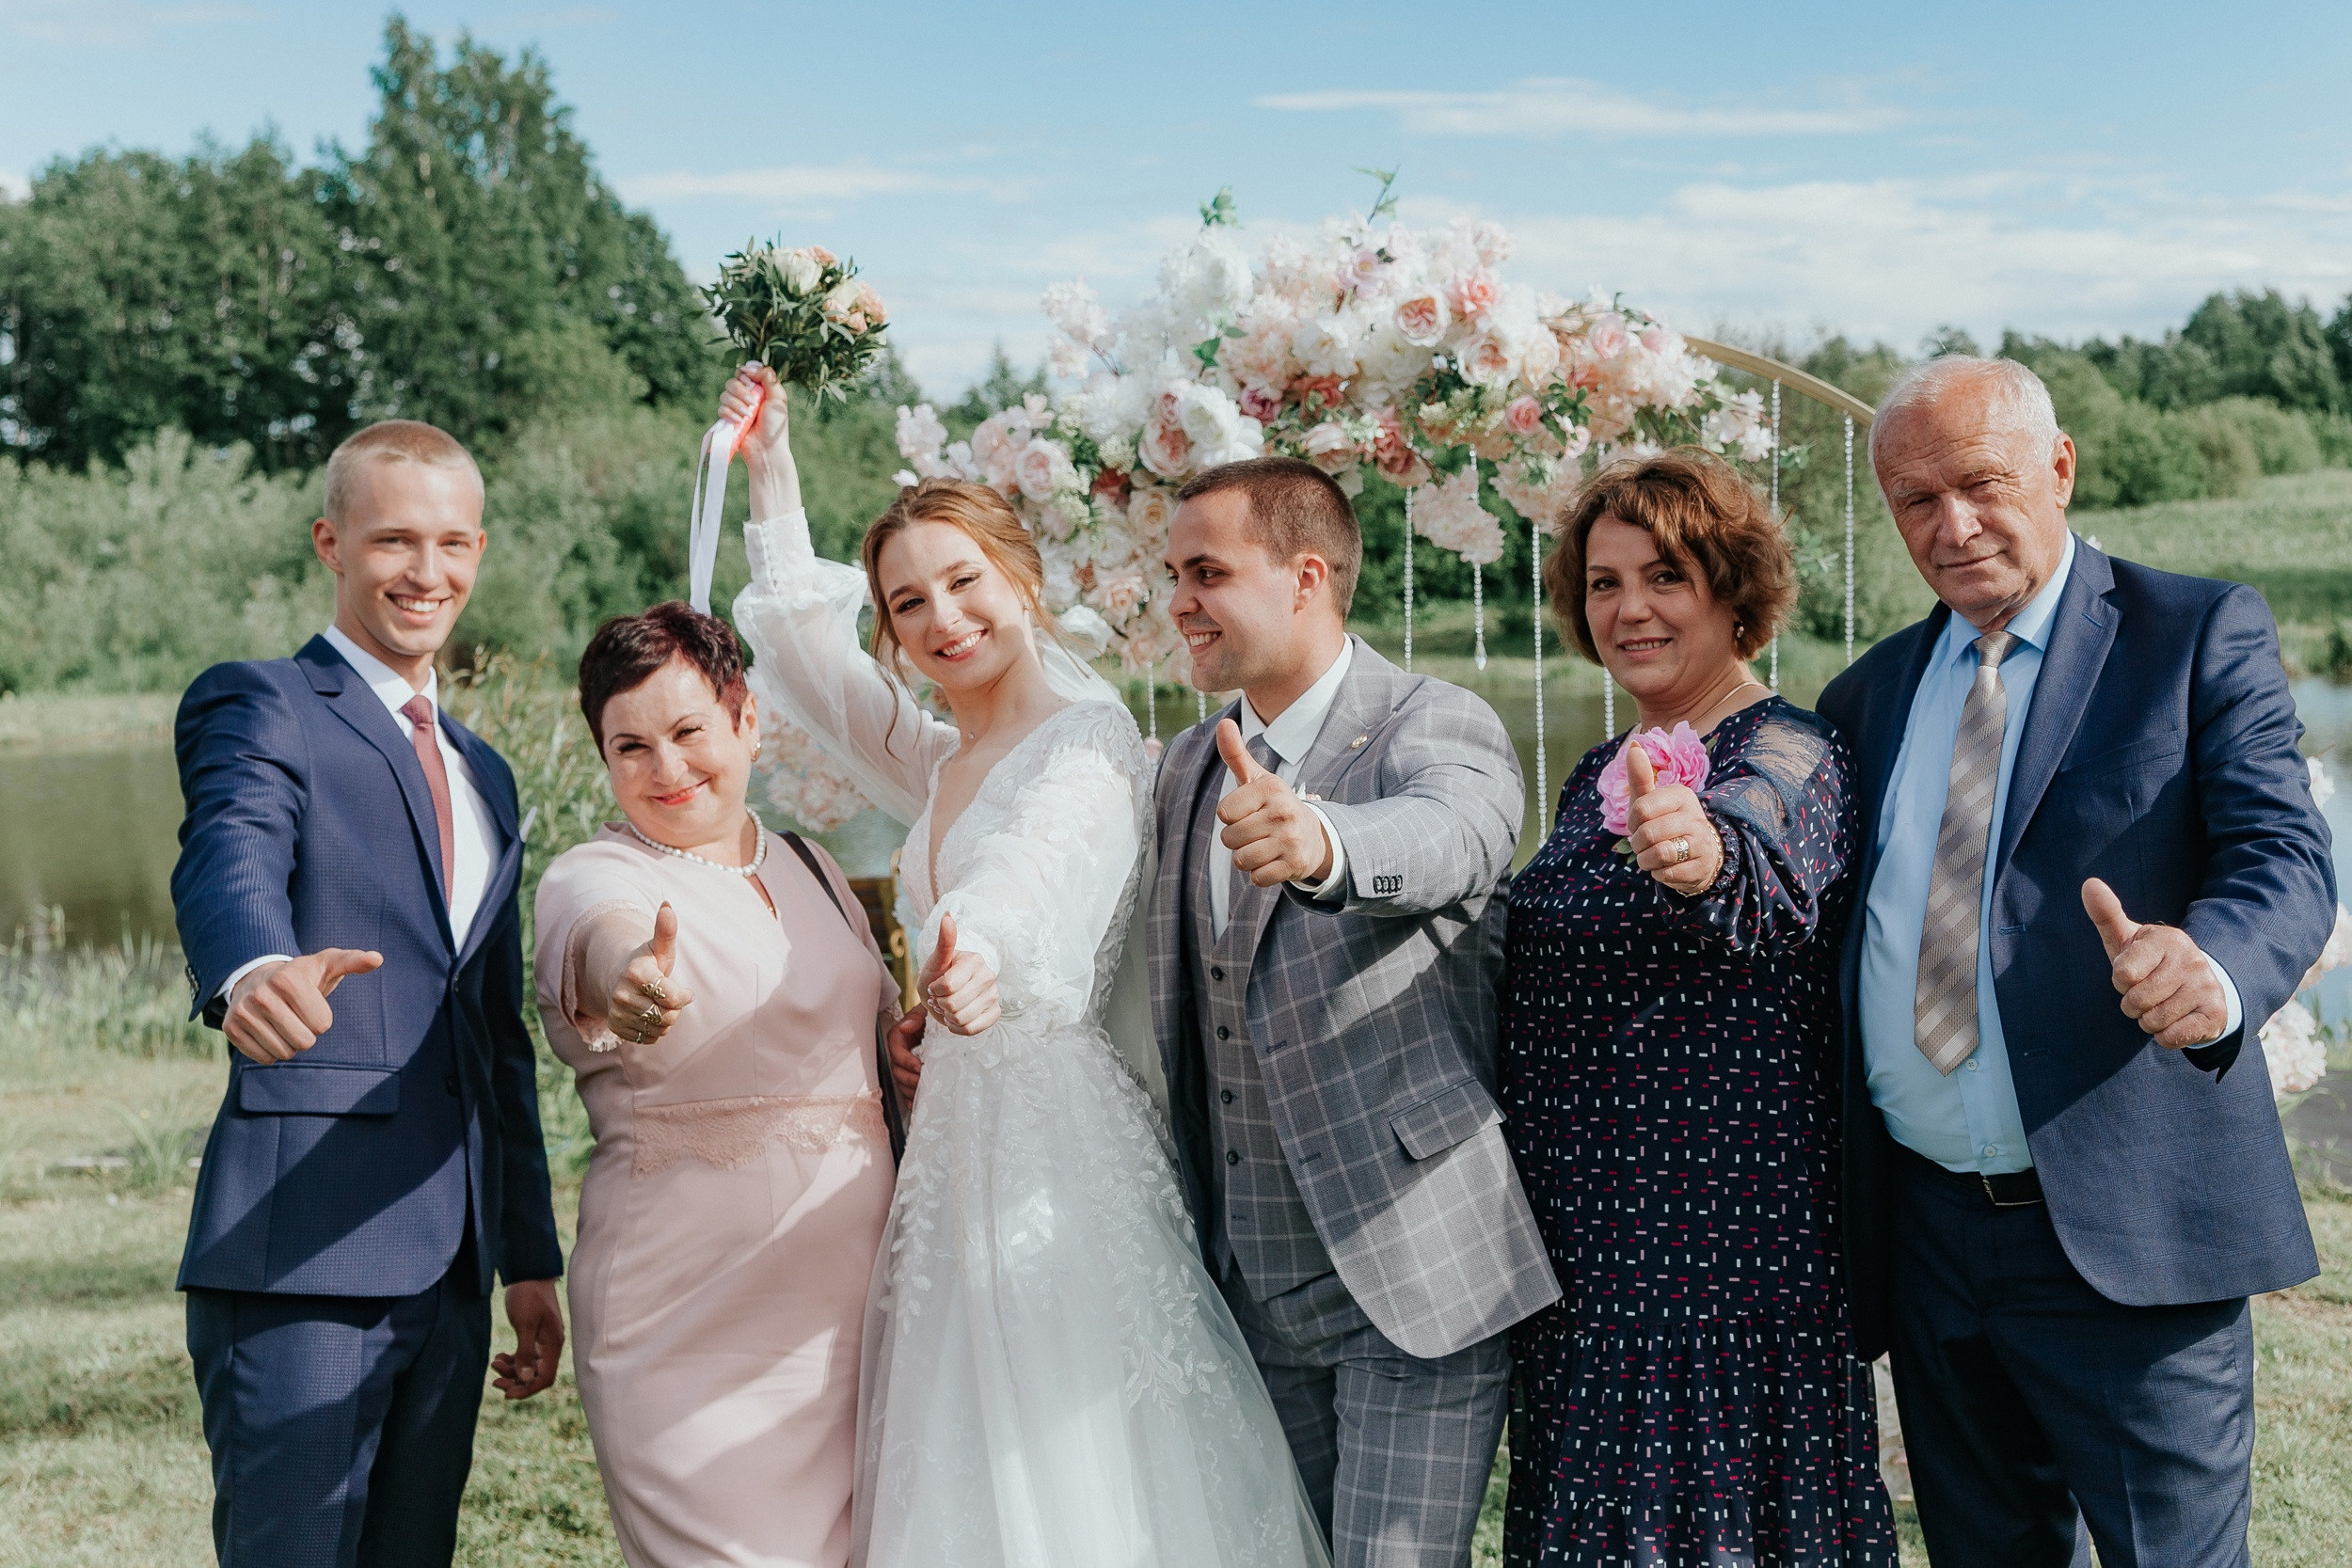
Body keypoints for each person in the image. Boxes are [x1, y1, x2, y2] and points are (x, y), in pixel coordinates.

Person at [721, 365, 1328, 1568]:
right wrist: (773, 466)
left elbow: (1037, 878)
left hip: (1051, 1150)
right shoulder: (944, 752)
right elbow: (804, 657)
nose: (942, 621)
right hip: (955, 1138)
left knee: (1064, 1457)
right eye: (907, 606)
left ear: (1022, 581)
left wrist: (976, 955)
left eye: (964, 584)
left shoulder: (1088, 737)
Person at [1815, 356, 2337, 1567]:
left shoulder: (2196, 632)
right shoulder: (1867, 694)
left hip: (2128, 1236)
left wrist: (2210, 969)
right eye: (1911, 499)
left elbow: (2284, 854)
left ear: (2058, 468)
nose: (1950, 525)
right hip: (1931, 1237)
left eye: (1981, 483)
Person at [1150, 455, 1561, 1567]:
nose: (1177, 598)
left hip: (1411, 1270)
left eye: (1206, 570)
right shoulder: (1187, 763)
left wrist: (1327, 843)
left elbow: (1458, 834)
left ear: (1306, 576)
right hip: (1246, 1290)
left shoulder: (1435, 722)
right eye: (1171, 572)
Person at [170, 420, 564, 1567]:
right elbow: (229, 849)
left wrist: (526, 1255)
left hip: (450, 1268)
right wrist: (250, 969)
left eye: (451, 542)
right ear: (329, 541)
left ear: (480, 549)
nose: (425, 572)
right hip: (302, 1253)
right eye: (393, 539)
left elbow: (494, 1038)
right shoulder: (263, 704)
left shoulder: (485, 771)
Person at [1497, 450, 1896, 1566]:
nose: (1629, 608)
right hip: (1585, 1240)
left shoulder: (1790, 750)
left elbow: (1758, 867)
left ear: (1732, 590)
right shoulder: (1594, 773)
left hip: (1713, 1257)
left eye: (1664, 575)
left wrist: (1699, 853)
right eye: (1603, 582)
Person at [532, 602, 912, 1567]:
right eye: (631, 746)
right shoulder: (591, 875)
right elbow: (602, 943)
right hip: (685, 1329)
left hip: (853, 1327)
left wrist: (905, 1051)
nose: (667, 769)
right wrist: (631, 985)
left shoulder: (816, 867)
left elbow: (865, 1044)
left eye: (689, 730)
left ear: (746, 722)